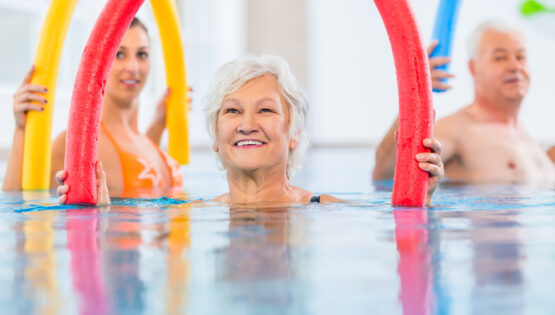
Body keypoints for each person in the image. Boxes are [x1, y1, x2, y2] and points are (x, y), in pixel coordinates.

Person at [57, 55, 444, 206]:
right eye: (232, 111)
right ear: (214, 139)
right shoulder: (190, 213)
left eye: (265, 110)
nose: (246, 124)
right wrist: (96, 217)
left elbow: (408, 244)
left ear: (293, 133)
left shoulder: (325, 209)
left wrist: (421, 202)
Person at [3, 17, 183, 195]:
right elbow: (18, 204)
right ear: (99, 62)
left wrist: (159, 125)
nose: (133, 67)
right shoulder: (78, 143)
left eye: (142, 54)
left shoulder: (146, 141)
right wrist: (22, 130)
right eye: (119, 54)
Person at [373, 19, 555, 186]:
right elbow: (386, 174)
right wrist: (414, 92)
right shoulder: (457, 130)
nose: (515, 66)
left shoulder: (530, 141)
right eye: (500, 57)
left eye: (520, 57)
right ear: (473, 68)